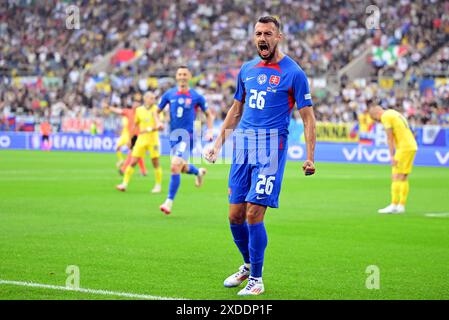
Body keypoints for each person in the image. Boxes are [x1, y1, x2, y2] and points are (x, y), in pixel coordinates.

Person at [204, 16, 316, 296]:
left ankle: (256, 279)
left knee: (254, 213)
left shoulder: (294, 73)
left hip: (271, 148)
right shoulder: (247, 70)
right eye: (257, 33)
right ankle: (247, 264)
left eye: (267, 33)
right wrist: (218, 144)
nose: (262, 38)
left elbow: (308, 119)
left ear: (279, 37)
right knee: (234, 216)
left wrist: (311, 156)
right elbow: (235, 110)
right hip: (242, 146)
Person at [158, 66, 214, 214]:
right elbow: (156, 112)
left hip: (187, 136)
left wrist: (209, 130)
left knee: (175, 165)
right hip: (173, 137)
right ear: (176, 77)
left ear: (189, 77)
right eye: (180, 74)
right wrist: (157, 121)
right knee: (182, 167)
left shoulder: (196, 96)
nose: (182, 76)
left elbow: (208, 114)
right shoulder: (169, 94)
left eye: (185, 74)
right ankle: (199, 172)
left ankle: (168, 202)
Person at [369, 104, 418, 214]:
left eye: (376, 120)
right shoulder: (394, 113)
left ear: (376, 114)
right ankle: (401, 205)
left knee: (396, 176)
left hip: (403, 148)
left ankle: (394, 204)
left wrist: (392, 155)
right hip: (412, 145)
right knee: (404, 177)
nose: (378, 122)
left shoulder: (386, 117)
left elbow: (389, 138)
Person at [116, 92, 164, 193]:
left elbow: (160, 126)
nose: (153, 100)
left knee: (155, 163)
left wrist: (149, 129)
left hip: (153, 140)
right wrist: (130, 139)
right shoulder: (139, 110)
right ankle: (124, 184)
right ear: (145, 99)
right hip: (141, 140)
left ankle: (158, 185)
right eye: (151, 98)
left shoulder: (157, 110)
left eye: (154, 98)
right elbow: (135, 125)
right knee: (133, 161)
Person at [103, 94, 147, 176]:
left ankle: (123, 170)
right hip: (132, 136)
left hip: (139, 136)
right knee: (137, 154)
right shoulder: (129, 112)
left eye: (137, 103)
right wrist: (109, 107)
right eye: (134, 103)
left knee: (132, 153)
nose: (135, 104)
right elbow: (118, 111)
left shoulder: (142, 113)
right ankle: (144, 171)